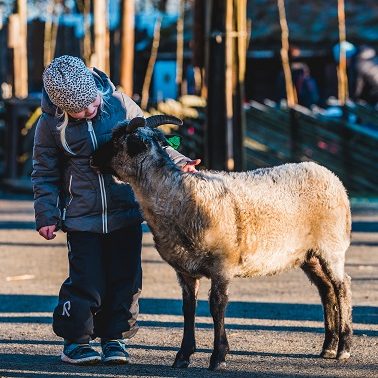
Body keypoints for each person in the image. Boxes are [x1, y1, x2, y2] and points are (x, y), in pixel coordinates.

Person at [32, 55, 200, 365]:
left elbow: (155, 141)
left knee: (126, 279)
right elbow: (44, 170)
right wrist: (47, 213)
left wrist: (180, 161)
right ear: (64, 107)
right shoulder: (50, 126)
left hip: (125, 211)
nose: (91, 110)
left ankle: (114, 339)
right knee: (87, 282)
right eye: (81, 110)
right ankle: (76, 341)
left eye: (92, 102)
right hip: (83, 218)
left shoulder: (120, 104)